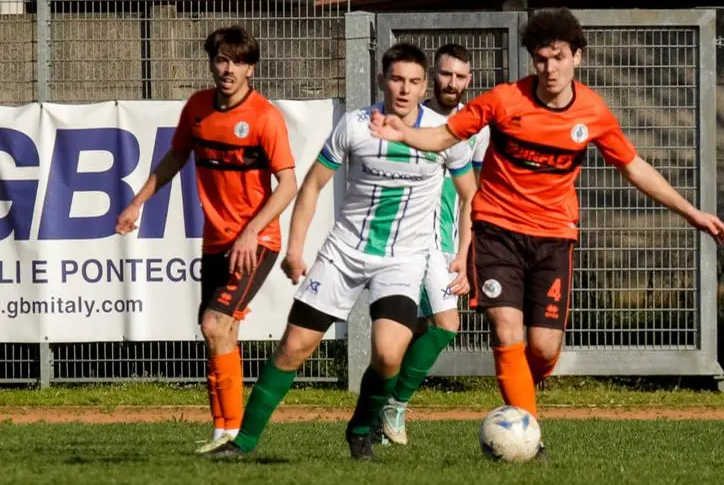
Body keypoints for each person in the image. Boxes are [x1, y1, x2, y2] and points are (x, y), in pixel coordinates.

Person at [369, 7, 724, 457]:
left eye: (558, 57)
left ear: (576, 57)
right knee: (506, 331)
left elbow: (633, 167)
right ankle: (527, 439)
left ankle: (521, 388)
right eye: (540, 58)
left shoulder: (592, 112)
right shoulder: (504, 100)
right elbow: (444, 137)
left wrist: (691, 212)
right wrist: (403, 133)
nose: (549, 67)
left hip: (554, 236)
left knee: (541, 348)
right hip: (497, 229)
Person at [206, 42, 478, 461]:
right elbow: (312, 185)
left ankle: (361, 427)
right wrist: (296, 248)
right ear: (382, 80)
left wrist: (461, 253)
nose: (404, 89)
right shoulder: (355, 126)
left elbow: (469, 196)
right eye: (396, 79)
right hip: (344, 253)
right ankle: (242, 444)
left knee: (388, 354)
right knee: (294, 347)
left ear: (425, 87)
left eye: (413, 82)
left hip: (402, 260)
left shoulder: (443, 137)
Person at [114, 25, 297, 452]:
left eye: (237, 61)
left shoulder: (264, 118)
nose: (227, 69)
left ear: (251, 68)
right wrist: (137, 202)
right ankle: (226, 431)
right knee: (220, 332)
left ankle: (233, 430)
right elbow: (176, 155)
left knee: (214, 323)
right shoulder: (197, 107)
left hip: (257, 242)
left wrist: (252, 231)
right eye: (221, 60)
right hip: (216, 241)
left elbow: (287, 184)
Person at [378, 43, 491, 446]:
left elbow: (470, 197)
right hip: (402, 242)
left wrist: (464, 252)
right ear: (431, 79)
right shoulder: (409, 120)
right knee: (425, 327)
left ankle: (388, 405)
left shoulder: (475, 129)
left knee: (435, 327)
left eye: (461, 77)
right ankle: (389, 406)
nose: (452, 83)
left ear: (469, 81)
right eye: (446, 74)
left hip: (442, 245)